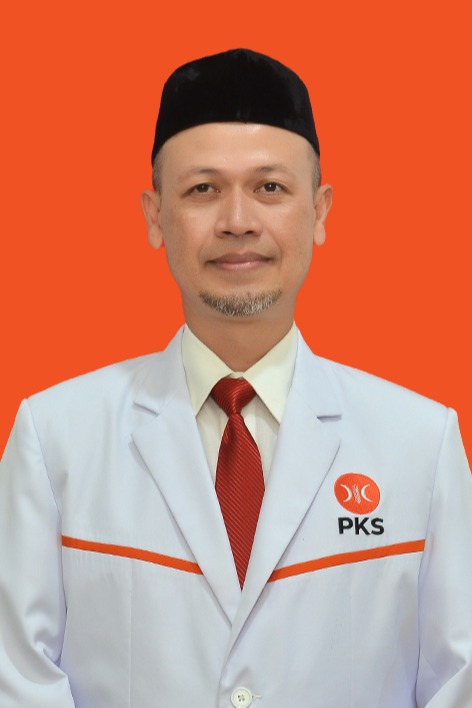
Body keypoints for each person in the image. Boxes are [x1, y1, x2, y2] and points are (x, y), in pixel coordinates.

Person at [0, 48, 471, 708]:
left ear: (320, 212)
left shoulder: (420, 443)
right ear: (155, 216)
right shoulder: (56, 439)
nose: (239, 221)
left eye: (270, 188)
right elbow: (16, 681)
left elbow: (458, 682)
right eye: (203, 190)